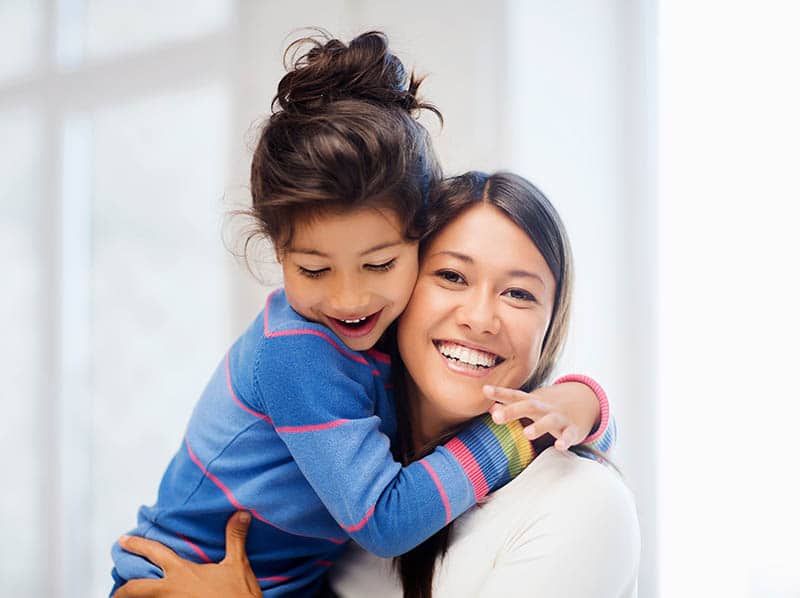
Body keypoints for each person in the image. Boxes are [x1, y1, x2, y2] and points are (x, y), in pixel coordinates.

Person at [110, 32, 613, 597]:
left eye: (378, 265)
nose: (349, 301)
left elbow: (573, 430)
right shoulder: (299, 351)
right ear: (278, 253)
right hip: (176, 583)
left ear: (416, 241)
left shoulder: (386, 336)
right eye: (314, 270)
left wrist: (582, 403)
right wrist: (521, 435)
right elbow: (387, 520)